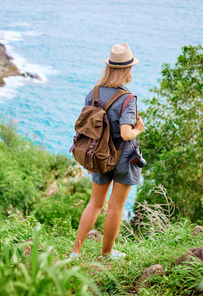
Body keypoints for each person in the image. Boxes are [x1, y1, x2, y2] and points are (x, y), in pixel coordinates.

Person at [69, 44, 145, 260]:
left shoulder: (93, 93)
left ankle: (75, 252)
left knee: (94, 203)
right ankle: (107, 253)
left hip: (98, 155)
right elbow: (125, 132)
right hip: (124, 159)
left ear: (109, 67)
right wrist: (138, 129)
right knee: (115, 208)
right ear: (127, 70)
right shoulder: (128, 99)